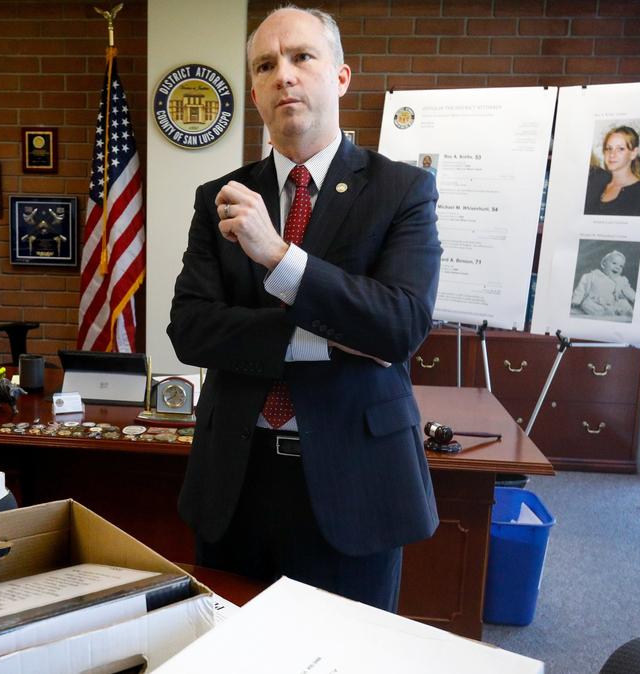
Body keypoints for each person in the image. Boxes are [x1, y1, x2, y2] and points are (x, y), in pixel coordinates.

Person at [167, 6, 441, 612]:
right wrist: (326, 334)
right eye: (266, 65)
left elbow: (398, 326)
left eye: (301, 57)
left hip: (355, 483)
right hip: (235, 480)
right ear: (256, 93)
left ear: (341, 76)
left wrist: (279, 258)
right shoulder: (220, 198)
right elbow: (190, 330)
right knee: (231, 651)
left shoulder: (402, 191)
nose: (284, 75)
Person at [584, 126, 640, 217]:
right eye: (609, 148)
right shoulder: (598, 183)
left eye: (620, 149)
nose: (612, 154)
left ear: (633, 153)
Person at [571, 249, 636, 318]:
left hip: (614, 302)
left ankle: (626, 313)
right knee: (586, 304)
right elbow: (581, 288)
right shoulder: (592, 276)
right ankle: (605, 313)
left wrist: (634, 298)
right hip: (595, 302)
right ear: (604, 264)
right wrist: (576, 300)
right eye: (614, 263)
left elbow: (628, 290)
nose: (617, 267)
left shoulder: (621, 280)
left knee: (623, 303)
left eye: (621, 266)